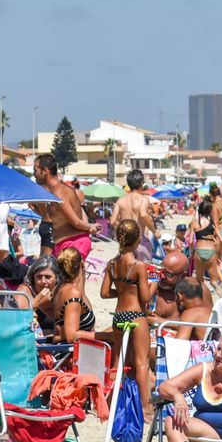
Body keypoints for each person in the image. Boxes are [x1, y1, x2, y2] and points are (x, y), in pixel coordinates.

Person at [100, 219, 154, 423]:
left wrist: (122, 290)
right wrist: (152, 285)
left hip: (119, 315)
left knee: (118, 361)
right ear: (138, 240)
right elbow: (146, 298)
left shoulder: (112, 264)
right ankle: (145, 409)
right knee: (142, 364)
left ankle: (110, 403)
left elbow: (104, 293)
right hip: (136, 315)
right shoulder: (139, 266)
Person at [34, 154, 93, 260]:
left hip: (73, 243)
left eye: (36, 170)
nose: (34, 174)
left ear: (45, 171)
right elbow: (78, 213)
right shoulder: (54, 191)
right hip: (66, 243)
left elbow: (76, 222)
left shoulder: (59, 192)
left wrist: (91, 227)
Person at [39, 248, 101, 343]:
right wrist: (106, 335)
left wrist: (60, 323)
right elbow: (71, 336)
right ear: (81, 264)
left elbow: (41, 304)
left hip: (68, 348)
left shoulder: (60, 288)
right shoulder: (72, 292)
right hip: (69, 352)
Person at [111, 169, 158, 261]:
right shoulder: (143, 199)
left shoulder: (120, 200)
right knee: (144, 269)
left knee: (127, 270)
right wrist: (154, 231)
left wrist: (125, 229)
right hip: (140, 239)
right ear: (141, 184)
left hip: (126, 241)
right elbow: (143, 214)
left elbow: (113, 221)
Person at [189, 200, 220, 290]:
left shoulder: (194, 222)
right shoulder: (213, 224)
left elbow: (190, 241)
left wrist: (191, 252)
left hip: (199, 251)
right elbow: (220, 240)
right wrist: (218, 254)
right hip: (211, 251)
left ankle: (202, 300)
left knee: (199, 280)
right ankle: (221, 295)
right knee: (213, 281)